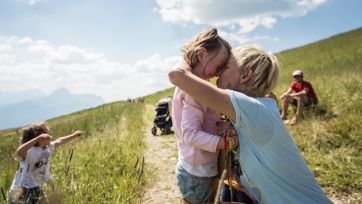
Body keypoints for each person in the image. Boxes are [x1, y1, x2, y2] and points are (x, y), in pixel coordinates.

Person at [169, 44, 332, 203]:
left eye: (225, 67)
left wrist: (192, 54)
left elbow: (177, 76)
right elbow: (223, 174)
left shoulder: (254, 109)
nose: (218, 74)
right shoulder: (247, 117)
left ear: (245, 75)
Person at [172, 28, 239, 203]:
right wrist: (224, 143)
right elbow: (190, 134)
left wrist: (220, 126)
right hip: (198, 172)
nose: (218, 73)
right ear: (202, 54)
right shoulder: (196, 90)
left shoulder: (194, 86)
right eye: (218, 67)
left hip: (196, 167)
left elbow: (204, 121)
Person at [8, 122, 82, 204]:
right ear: (40, 139)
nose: (50, 137)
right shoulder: (30, 151)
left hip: (35, 187)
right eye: (47, 136)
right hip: (21, 190)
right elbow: (19, 152)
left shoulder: (48, 147)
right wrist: (37, 139)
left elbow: (59, 140)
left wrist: (74, 135)